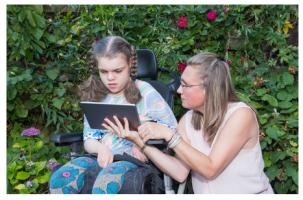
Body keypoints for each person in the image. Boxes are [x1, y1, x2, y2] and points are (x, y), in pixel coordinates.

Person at [103, 52, 275, 194]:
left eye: (185, 85)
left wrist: (170, 135)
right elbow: (179, 173)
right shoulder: (188, 120)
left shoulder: (240, 115)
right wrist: (138, 141)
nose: (178, 90)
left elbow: (210, 168)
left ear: (209, 88)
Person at [49, 36, 178, 194]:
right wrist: (101, 149)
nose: (110, 78)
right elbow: (89, 139)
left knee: (105, 184)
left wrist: (142, 145)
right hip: (100, 155)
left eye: (118, 71)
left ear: (130, 64)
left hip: (132, 158)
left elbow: (171, 128)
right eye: (103, 71)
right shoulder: (96, 95)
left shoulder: (147, 93)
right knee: (59, 180)